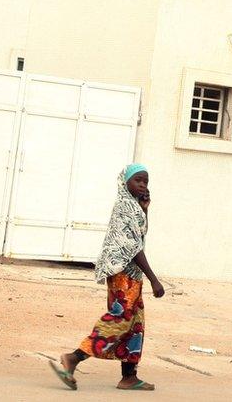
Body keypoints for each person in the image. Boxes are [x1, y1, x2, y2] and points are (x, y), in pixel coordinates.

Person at [49, 164, 164, 391]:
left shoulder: (133, 206)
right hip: (123, 273)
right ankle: (74, 357)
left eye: (145, 181)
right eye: (138, 180)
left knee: (135, 324)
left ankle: (129, 376)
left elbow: (139, 235)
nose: (142, 185)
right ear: (125, 182)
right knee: (120, 319)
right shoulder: (124, 206)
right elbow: (133, 246)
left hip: (130, 274)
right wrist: (153, 278)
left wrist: (145, 209)